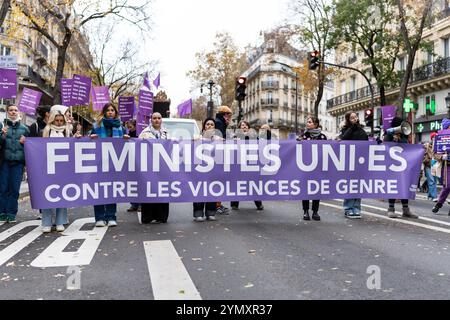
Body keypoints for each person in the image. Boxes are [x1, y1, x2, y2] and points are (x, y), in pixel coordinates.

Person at [90, 103, 130, 227]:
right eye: (108, 110)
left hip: (114, 163)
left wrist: (126, 138)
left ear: (115, 112)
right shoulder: (96, 126)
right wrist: (91, 137)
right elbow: (88, 140)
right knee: (99, 189)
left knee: (112, 189)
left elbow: (127, 143)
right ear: (104, 112)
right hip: (99, 162)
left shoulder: (121, 127)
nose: (110, 112)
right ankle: (99, 218)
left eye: (113, 110)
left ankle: (111, 216)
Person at [40, 110, 73, 232]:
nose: (59, 123)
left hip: (63, 167)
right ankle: (46, 222)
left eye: (61, 120)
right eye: (56, 120)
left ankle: (60, 221)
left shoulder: (67, 131)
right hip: (47, 167)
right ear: (52, 119)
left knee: (62, 193)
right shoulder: (46, 131)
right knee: (47, 194)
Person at [0, 105, 30, 225]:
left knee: (14, 189)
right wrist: (1, 135)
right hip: (4, 163)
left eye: (15, 110)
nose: (13, 112)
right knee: (3, 189)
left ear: (19, 113)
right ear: (7, 112)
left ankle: (12, 213)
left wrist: (26, 142)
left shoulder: (25, 129)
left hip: (18, 163)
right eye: (11, 110)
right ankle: (2, 213)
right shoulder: (2, 126)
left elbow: (31, 147)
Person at [138, 112, 170, 224]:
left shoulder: (167, 133)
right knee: (149, 191)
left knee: (162, 190)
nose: (157, 120)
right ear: (151, 120)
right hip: (149, 167)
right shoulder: (144, 133)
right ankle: (148, 216)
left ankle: (161, 216)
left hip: (163, 168)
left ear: (162, 120)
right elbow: (138, 148)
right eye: (154, 118)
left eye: (159, 118)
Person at [384, 116, 418, 218]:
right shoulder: (388, 135)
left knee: (404, 186)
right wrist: (392, 138)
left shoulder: (404, 136)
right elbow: (385, 145)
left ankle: (406, 210)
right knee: (394, 187)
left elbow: (407, 148)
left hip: (404, 166)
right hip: (392, 166)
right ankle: (391, 209)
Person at [337, 111, 368, 219]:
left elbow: (365, 141)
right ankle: (348, 209)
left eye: (356, 117)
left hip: (360, 162)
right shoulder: (346, 129)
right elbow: (344, 138)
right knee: (350, 186)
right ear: (348, 119)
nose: (355, 119)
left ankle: (356, 208)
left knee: (358, 186)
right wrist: (352, 127)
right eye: (352, 118)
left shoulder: (361, 130)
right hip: (349, 163)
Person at [298, 116, 327, 221]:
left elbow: (327, 151)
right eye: (307, 122)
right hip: (305, 168)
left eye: (310, 122)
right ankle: (305, 211)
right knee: (305, 189)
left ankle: (315, 211)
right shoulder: (303, 136)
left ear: (315, 124)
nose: (307, 124)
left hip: (318, 168)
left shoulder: (323, 137)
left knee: (316, 190)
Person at [193, 118, 222, 222]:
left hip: (213, 170)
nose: (210, 126)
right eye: (208, 124)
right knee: (199, 190)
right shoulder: (198, 138)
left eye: (212, 124)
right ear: (204, 126)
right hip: (200, 170)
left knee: (212, 190)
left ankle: (210, 213)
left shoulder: (219, 139)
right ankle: (198, 213)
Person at [230, 120, 264, 211]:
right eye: (242, 125)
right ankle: (234, 204)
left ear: (249, 128)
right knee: (237, 183)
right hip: (238, 163)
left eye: (245, 125)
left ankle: (258, 203)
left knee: (253, 183)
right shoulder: (235, 137)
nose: (244, 127)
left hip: (251, 163)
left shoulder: (254, 137)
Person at [214, 106, 232, 215]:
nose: (229, 117)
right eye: (228, 115)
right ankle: (217, 205)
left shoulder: (220, 122)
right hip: (218, 156)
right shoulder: (220, 123)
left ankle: (217, 204)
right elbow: (220, 139)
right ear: (224, 114)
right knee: (218, 180)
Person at [432, 118, 450, 215]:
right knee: (447, 186)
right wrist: (442, 157)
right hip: (447, 165)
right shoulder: (438, 138)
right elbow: (434, 154)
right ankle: (439, 203)